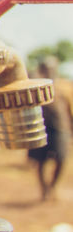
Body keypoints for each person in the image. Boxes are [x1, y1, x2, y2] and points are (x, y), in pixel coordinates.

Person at [28, 56, 73, 201]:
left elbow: (69, 109)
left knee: (61, 160)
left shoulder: (64, 87)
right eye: (46, 68)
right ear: (42, 70)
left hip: (60, 129)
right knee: (41, 161)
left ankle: (53, 186)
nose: (49, 71)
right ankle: (44, 189)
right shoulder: (35, 88)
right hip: (41, 128)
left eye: (52, 68)